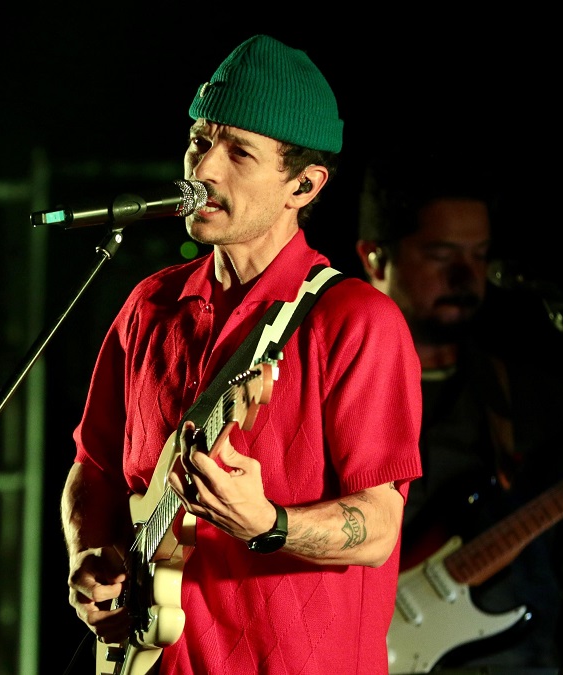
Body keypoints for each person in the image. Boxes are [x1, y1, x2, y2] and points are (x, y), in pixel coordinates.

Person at [59, 34, 424, 675]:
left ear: (304, 186)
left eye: (239, 153)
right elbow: (94, 469)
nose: (202, 171)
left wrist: (272, 523)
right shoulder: (151, 305)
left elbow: (379, 527)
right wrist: (90, 555)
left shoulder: (358, 321)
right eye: (201, 140)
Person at [355, 148, 563, 670]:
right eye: (441, 254)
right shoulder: (324, 387)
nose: (465, 275)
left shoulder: (539, 401)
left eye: (479, 255)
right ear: (374, 257)